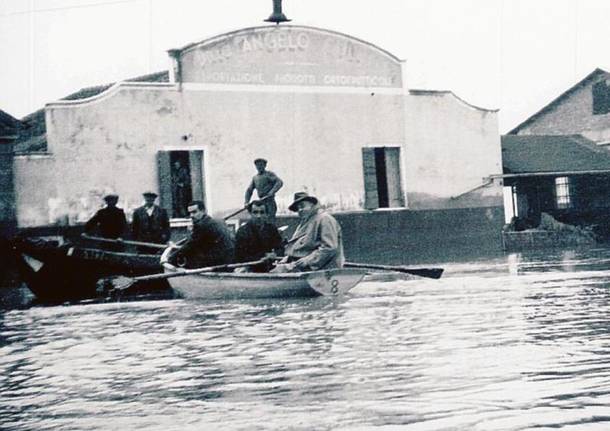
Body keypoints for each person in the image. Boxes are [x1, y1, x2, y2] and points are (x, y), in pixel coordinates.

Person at [271, 192, 344, 273]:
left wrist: (307, 260)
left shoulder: (324, 219)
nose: (300, 210)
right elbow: (300, 247)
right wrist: (288, 258)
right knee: (274, 270)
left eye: (302, 206)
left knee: (275, 273)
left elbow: (329, 248)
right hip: (303, 267)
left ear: (312, 205)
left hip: (322, 269)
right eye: (297, 208)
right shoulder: (306, 221)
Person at [171, 200, 235, 269]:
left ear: (204, 211)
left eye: (194, 212)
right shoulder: (216, 221)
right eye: (190, 213)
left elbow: (190, 245)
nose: (191, 216)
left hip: (219, 261)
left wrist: (171, 258)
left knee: (190, 258)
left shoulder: (202, 225)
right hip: (231, 259)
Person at [234, 200, 284, 272]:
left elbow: (280, 248)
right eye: (255, 212)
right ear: (250, 214)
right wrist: (262, 257)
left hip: (269, 269)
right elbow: (239, 256)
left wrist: (275, 254)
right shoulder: (242, 231)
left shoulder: (271, 229)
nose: (259, 216)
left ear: (266, 214)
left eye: (262, 212)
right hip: (249, 269)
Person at [244, 158, 283, 223]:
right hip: (261, 202)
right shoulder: (255, 178)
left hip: (269, 201)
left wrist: (272, 191)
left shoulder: (269, 174)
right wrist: (246, 202)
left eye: (261, 165)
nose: (259, 167)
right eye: (258, 165)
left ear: (265, 165)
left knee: (270, 221)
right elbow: (249, 190)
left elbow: (279, 182)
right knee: (259, 219)